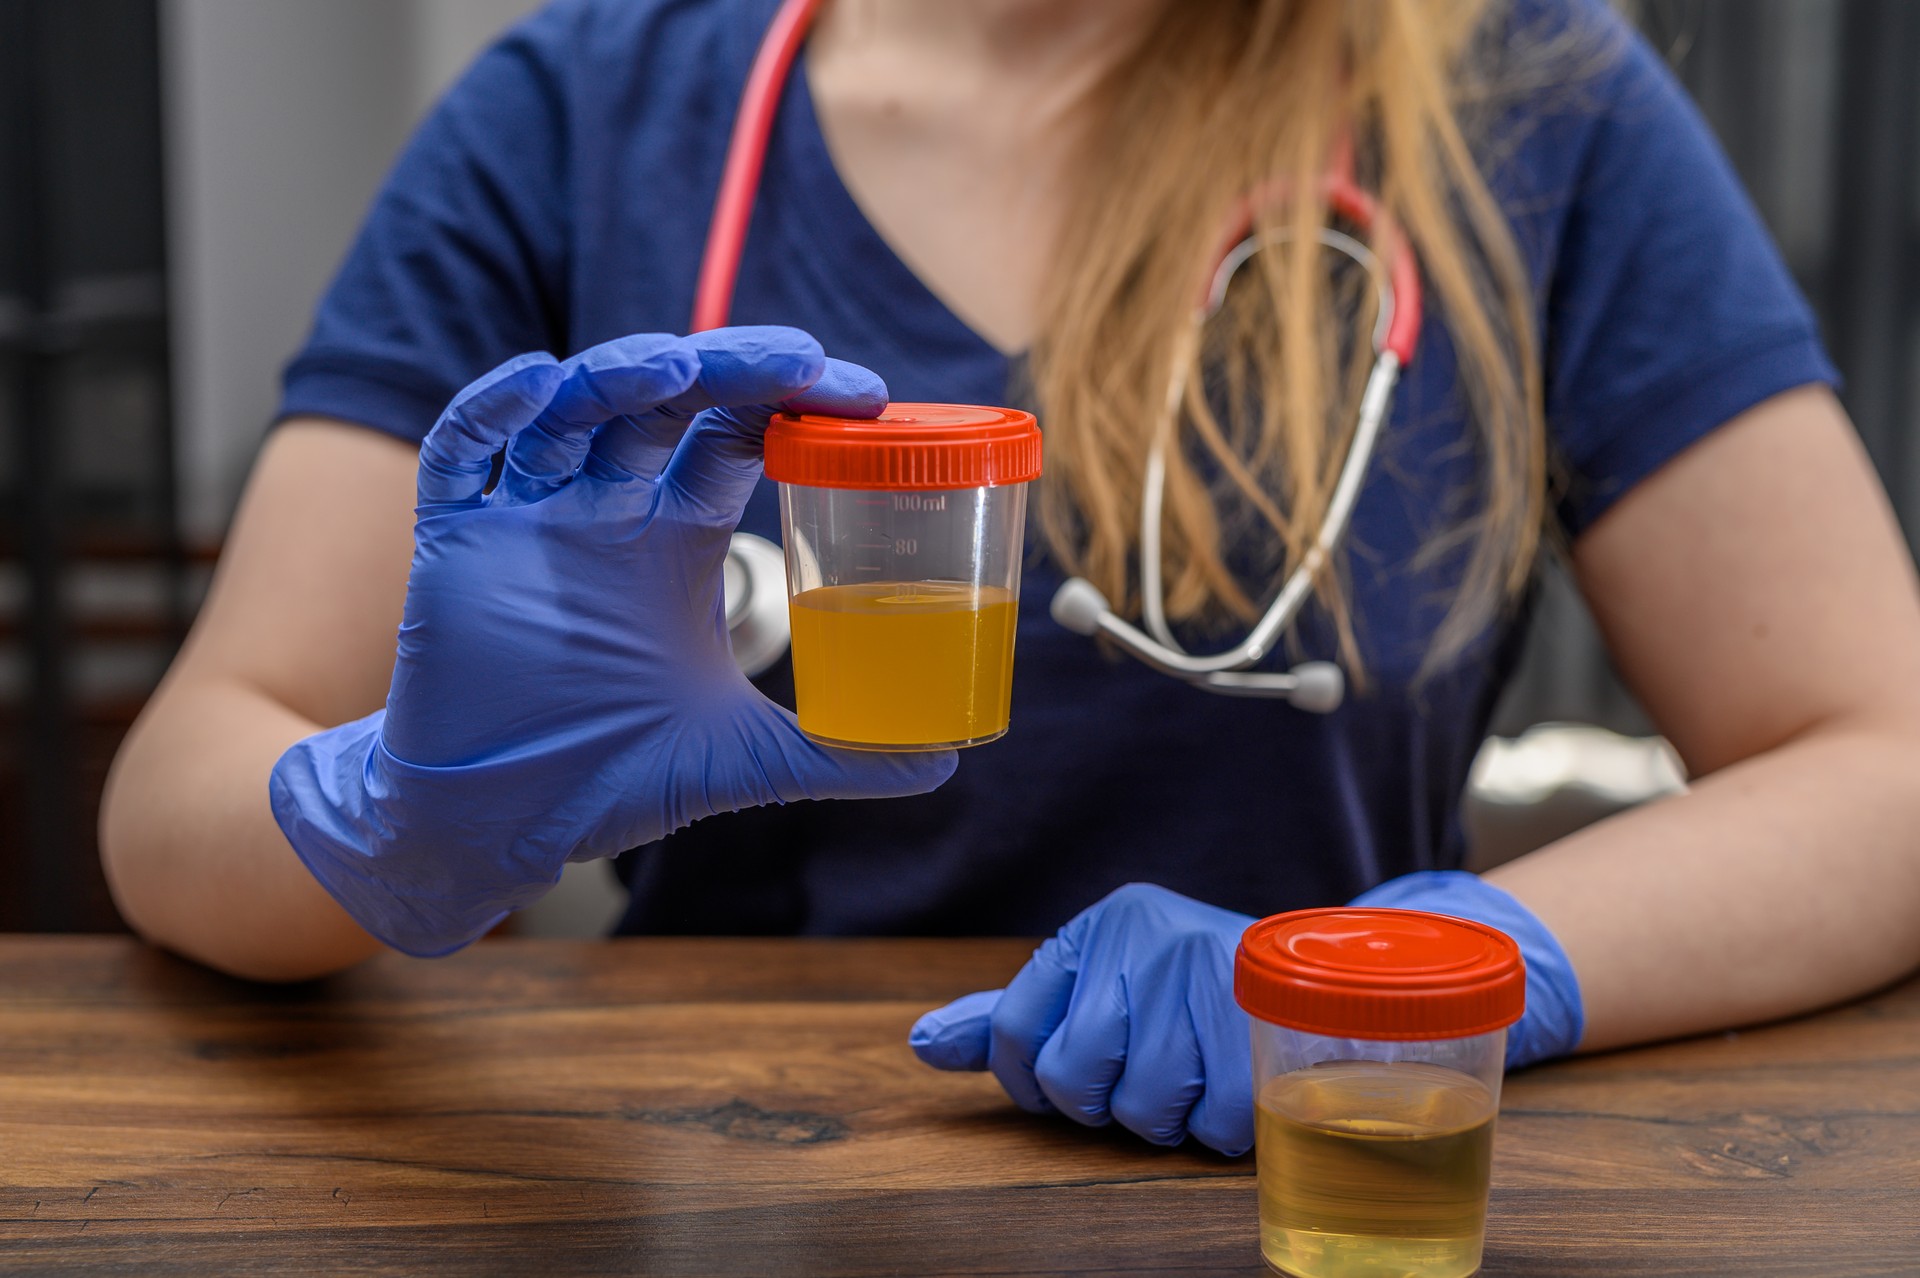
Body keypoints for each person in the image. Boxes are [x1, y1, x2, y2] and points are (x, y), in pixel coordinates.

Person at [100, 0, 1920, 1158]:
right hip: (704, 1196)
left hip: (1309, 1170)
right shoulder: (577, 112)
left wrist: (1425, 965)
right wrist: (398, 814)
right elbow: (180, 794)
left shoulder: (1523, 98)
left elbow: (1888, 760)